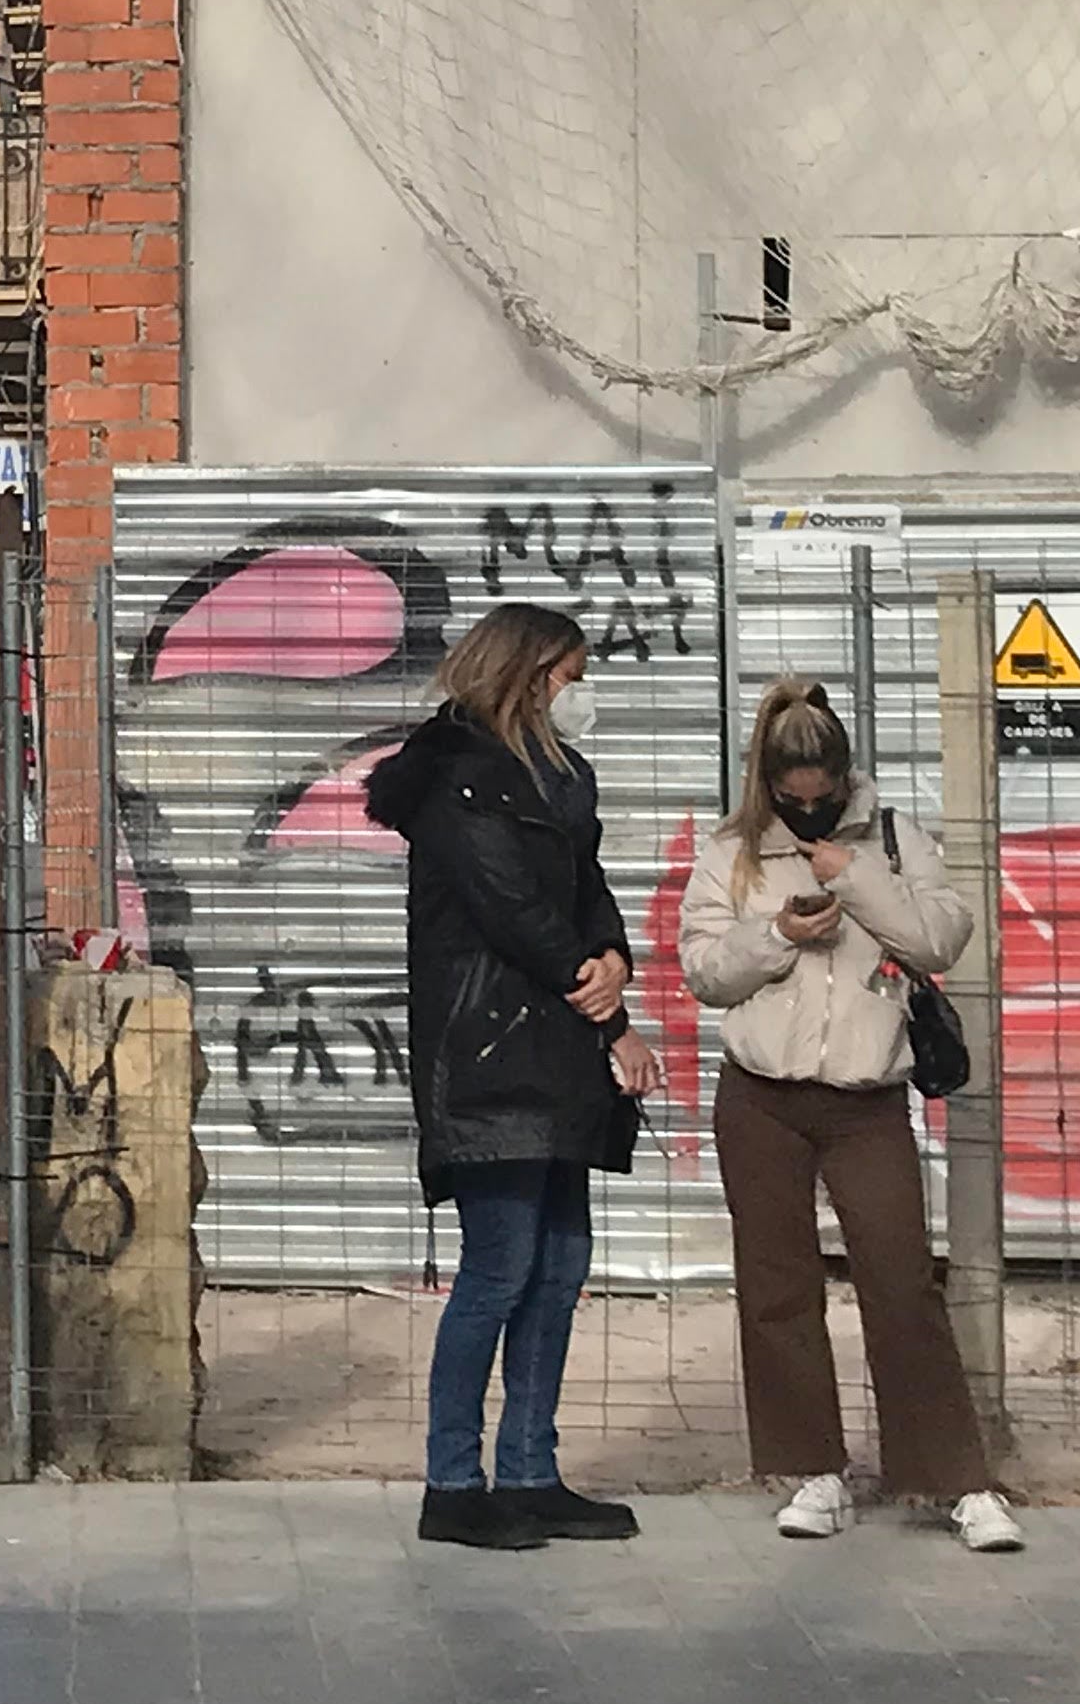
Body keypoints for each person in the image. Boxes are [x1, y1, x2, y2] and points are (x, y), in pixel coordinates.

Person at [680, 678, 1021, 1554]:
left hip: (869, 1098)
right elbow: (706, 972)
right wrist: (778, 937)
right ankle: (814, 1472)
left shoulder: (896, 839)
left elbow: (941, 938)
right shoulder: (732, 851)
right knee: (777, 1288)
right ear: (768, 779)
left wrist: (857, 878)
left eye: (821, 792)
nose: (808, 808)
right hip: (761, 1095)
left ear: (841, 770)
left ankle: (955, 1480)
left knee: (901, 1283)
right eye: (791, 796)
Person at [363, 600, 659, 1555]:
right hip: (490, 1054)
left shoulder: (560, 779)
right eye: (571, 677)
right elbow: (516, 910)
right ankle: (454, 1480)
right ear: (528, 678)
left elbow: (584, 890)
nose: (582, 696)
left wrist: (614, 956)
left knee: (560, 1265)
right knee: (500, 1268)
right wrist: (604, 1002)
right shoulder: (459, 783)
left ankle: (532, 1470)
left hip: (556, 1051)